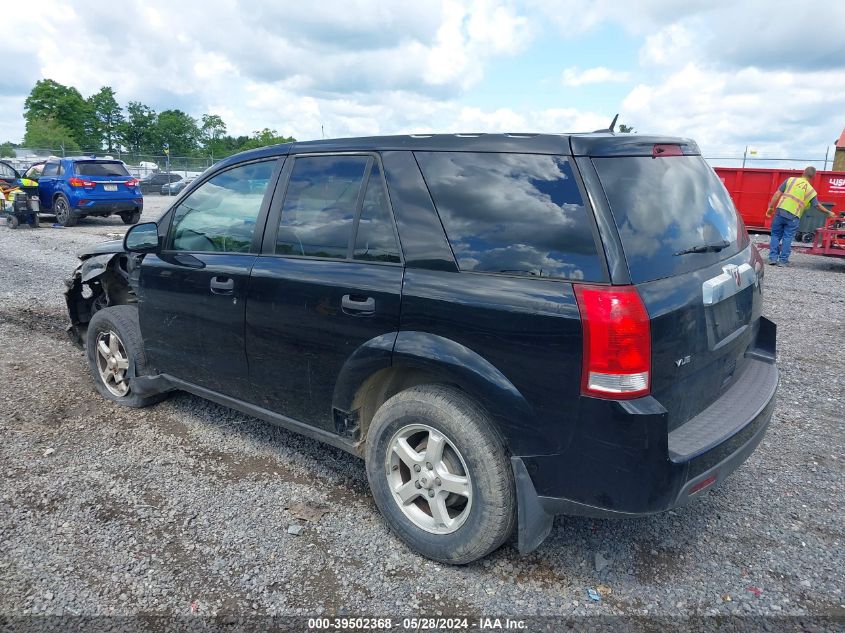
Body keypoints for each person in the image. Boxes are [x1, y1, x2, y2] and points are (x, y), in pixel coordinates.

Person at [765, 166, 834, 265]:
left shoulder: (790, 180)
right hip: (793, 216)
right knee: (787, 237)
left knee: (775, 235)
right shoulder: (811, 190)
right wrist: (829, 212)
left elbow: (777, 194)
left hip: (780, 212)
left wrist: (771, 207)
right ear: (813, 176)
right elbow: (817, 206)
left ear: (803, 172)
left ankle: (772, 258)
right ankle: (783, 261)